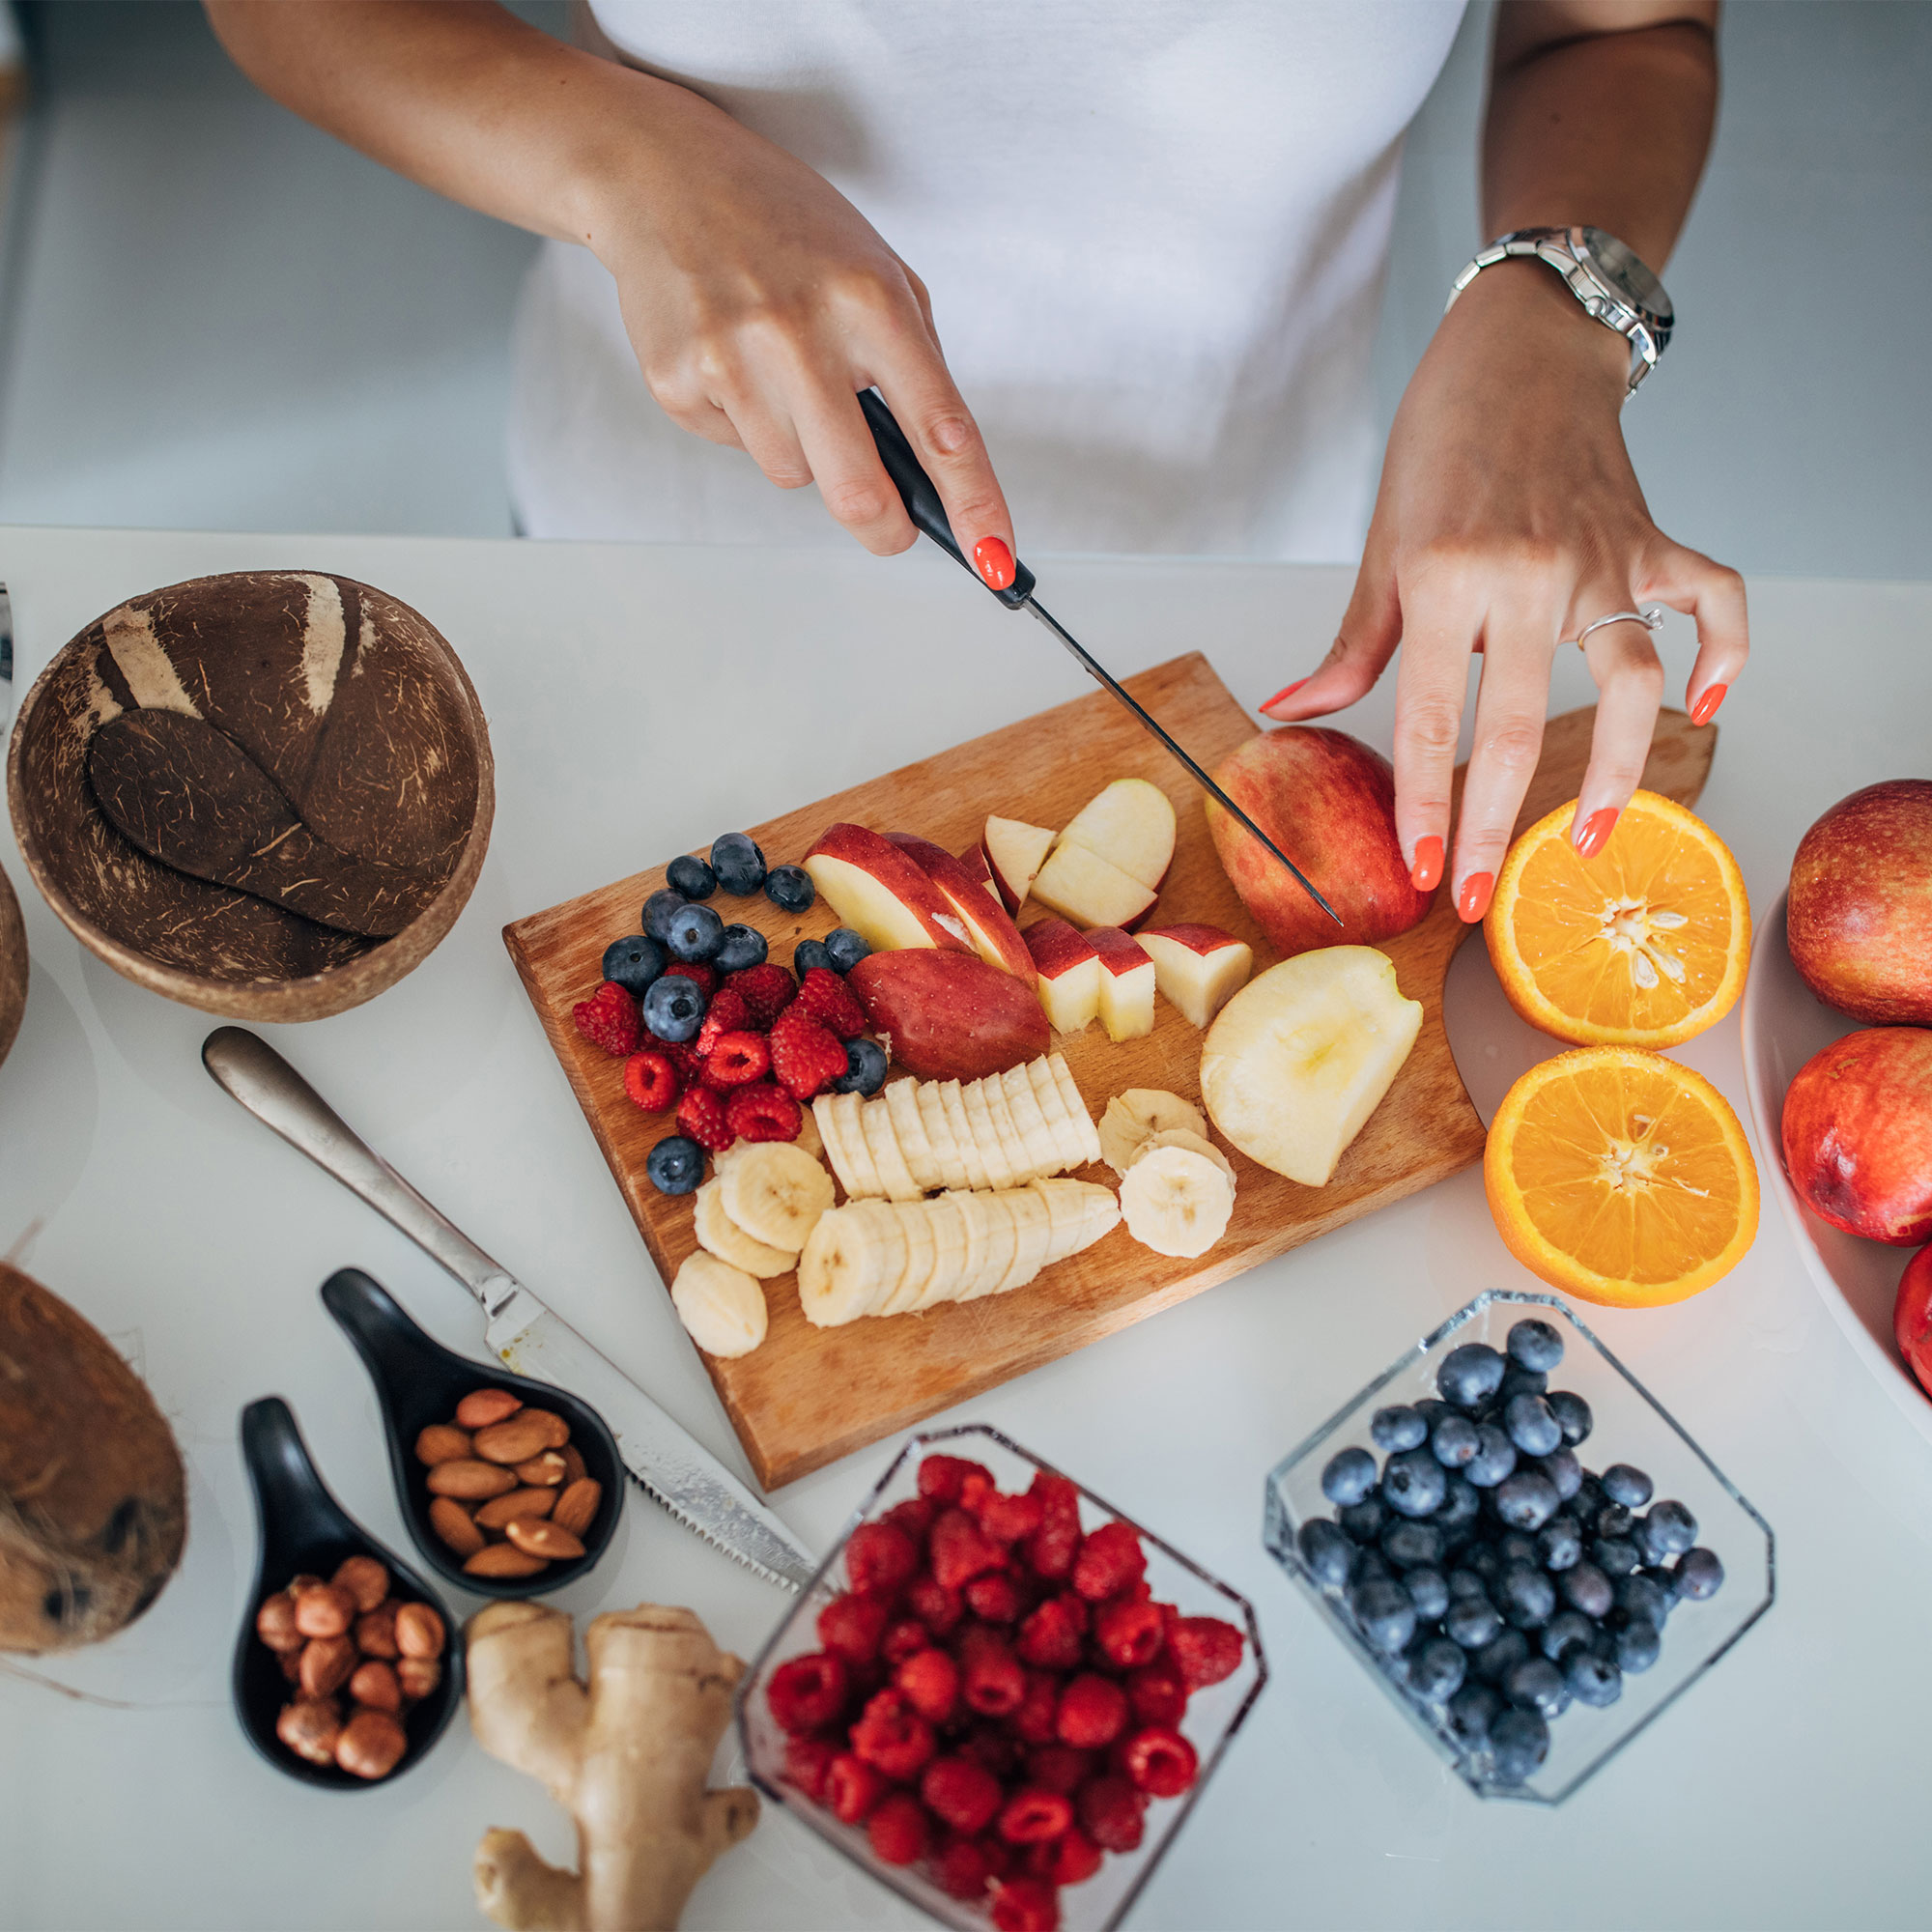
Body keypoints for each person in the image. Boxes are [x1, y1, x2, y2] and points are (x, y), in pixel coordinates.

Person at [207, 1, 1745, 921]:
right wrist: (629, 165)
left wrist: (1556, 318)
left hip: (1260, 584)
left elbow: (1626, 24)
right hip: (659, 547)